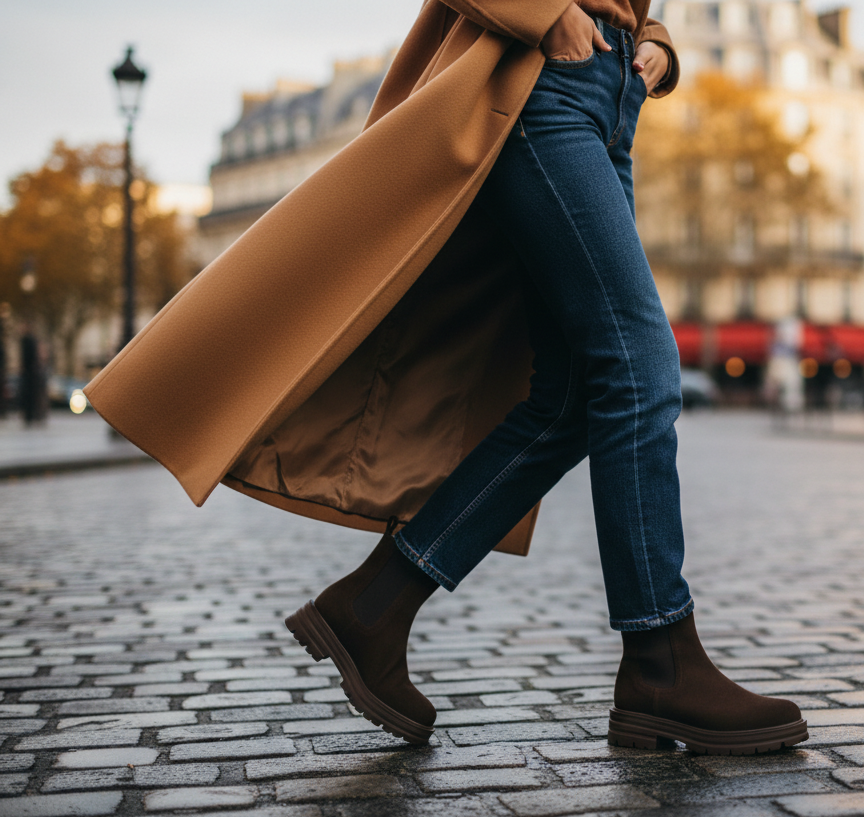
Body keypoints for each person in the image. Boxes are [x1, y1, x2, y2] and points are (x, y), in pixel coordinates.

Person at [85, 0, 806, 757]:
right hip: (540, 80)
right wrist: (547, 12)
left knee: (569, 402)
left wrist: (650, 39)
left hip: (608, 89)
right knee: (641, 367)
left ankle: (376, 604)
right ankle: (661, 658)